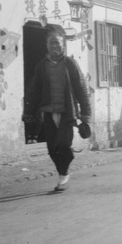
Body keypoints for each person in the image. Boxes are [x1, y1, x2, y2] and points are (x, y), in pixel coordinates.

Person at [22, 28, 91, 192]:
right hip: (48, 112)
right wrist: (28, 112)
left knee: (64, 145)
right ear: (46, 45)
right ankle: (62, 174)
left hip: (67, 112)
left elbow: (81, 88)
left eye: (57, 43)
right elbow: (33, 91)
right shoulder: (42, 67)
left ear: (63, 45)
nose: (54, 46)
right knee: (52, 148)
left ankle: (64, 174)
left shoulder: (70, 64)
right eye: (51, 42)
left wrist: (86, 114)